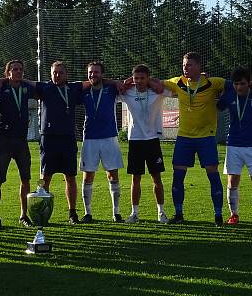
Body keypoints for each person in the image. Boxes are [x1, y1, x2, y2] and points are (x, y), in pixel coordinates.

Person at [159, 52, 228, 225]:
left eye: (189, 65)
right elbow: (153, 82)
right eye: (184, 65)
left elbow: (237, 84)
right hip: (184, 137)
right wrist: (126, 82)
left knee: (213, 176)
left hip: (207, 138)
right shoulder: (178, 82)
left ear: (199, 66)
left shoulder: (213, 83)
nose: (185, 68)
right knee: (178, 176)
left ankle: (218, 216)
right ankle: (179, 214)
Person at [217, 66, 252, 226]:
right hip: (233, 144)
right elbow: (218, 105)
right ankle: (234, 214)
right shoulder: (229, 95)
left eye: (242, 84)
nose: (239, 87)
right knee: (232, 182)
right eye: (236, 84)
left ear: (249, 83)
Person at [34, 62, 86, 224]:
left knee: (70, 177)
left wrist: (115, 82)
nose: (57, 75)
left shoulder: (73, 88)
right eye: (55, 73)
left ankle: (72, 213)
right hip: (48, 138)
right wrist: (2, 80)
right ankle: (43, 212)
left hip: (68, 139)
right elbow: (22, 81)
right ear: (51, 74)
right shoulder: (45, 88)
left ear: (67, 74)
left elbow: (94, 80)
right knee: (45, 177)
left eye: (61, 72)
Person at [119, 64, 171, 223]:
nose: (139, 81)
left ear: (148, 78)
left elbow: (171, 88)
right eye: (136, 78)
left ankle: (161, 212)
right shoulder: (128, 92)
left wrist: (153, 82)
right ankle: (134, 213)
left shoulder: (157, 92)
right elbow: (115, 87)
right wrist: (127, 81)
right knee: (136, 178)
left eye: (143, 78)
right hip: (135, 141)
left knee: (157, 178)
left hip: (152, 141)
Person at [0, 60, 35, 227]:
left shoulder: (26, 88)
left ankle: (24, 215)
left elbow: (40, 86)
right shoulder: (0, 88)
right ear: (7, 72)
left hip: (21, 141)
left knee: (26, 179)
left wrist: (23, 80)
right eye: (14, 69)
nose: (17, 72)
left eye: (20, 70)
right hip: (3, 140)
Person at [79, 61, 125, 223]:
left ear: (102, 74)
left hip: (109, 137)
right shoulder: (83, 90)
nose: (93, 75)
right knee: (88, 175)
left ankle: (116, 212)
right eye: (90, 72)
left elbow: (129, 83)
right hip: (90, 138)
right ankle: (87, 213)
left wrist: (113, 81)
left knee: (112, 175)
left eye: (96, 72)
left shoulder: (111, 88)